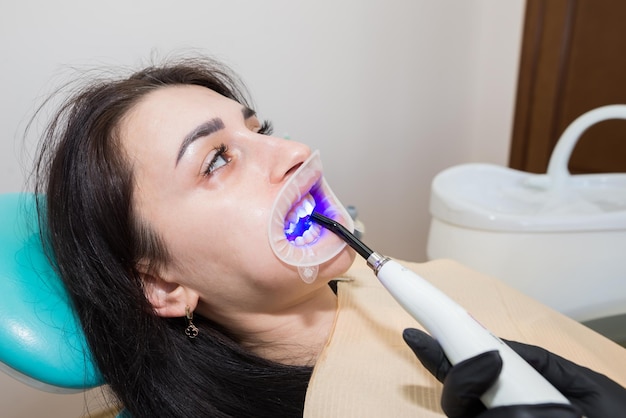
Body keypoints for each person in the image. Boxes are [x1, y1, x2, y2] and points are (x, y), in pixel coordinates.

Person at [30, 55, 626, 418]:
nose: (292, 152)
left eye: (262, 129)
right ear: (161, 284)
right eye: (216, 161)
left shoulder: (413, 281)